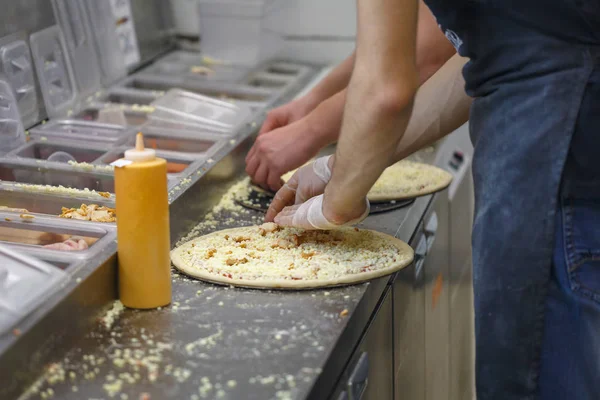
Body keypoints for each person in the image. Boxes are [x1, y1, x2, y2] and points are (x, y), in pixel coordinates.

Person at [247, 0, 600, 398]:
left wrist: (334, 205)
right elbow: (483, 55)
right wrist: (337, 167)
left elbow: (388, 89)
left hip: (557, 151)